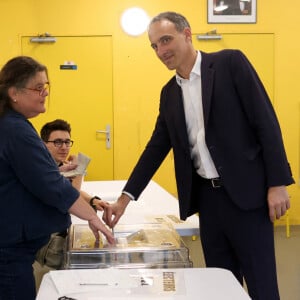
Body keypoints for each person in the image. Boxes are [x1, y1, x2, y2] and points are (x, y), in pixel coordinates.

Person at [103, 12, 294, 300]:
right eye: (154, 46)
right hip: (208, 201)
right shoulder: (169, 93)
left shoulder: (230, 63)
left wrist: (277, 183)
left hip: (247, 198)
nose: (161, 51)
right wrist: (124, 198)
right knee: (219, 283)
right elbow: (156, 148)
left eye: (166, 40)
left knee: (262, 284)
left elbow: (265, 122)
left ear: (187, 34)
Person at [0, 56, 114, 300]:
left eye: (46, 87)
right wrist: (93, 217)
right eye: (38, 88)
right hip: (9, 253)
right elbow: (51, 186)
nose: (45, 93)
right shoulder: (15, 129)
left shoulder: (12, 124)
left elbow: (24, 173)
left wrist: (55, 171)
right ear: (14, 93)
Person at [40, 119, 104, 210]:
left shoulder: (61, 165)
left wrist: (93, 201)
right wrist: (78, 169)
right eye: (57, 142)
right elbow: (71, 201)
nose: (64, 147)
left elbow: (68, 189)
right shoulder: (39, 169)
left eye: (67, 142)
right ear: (43, 144)